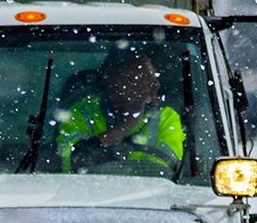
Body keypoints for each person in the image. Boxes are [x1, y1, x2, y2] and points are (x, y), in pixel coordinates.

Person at [56, 51, 185, 176]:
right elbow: (69, 165)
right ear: (111, 83)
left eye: (152, 81)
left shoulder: (166, 118)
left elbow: (165, 174)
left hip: (147, 195)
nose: (155, 87)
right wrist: (125, 126)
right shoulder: (81, 112)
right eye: (134, 82)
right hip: (79, 193)